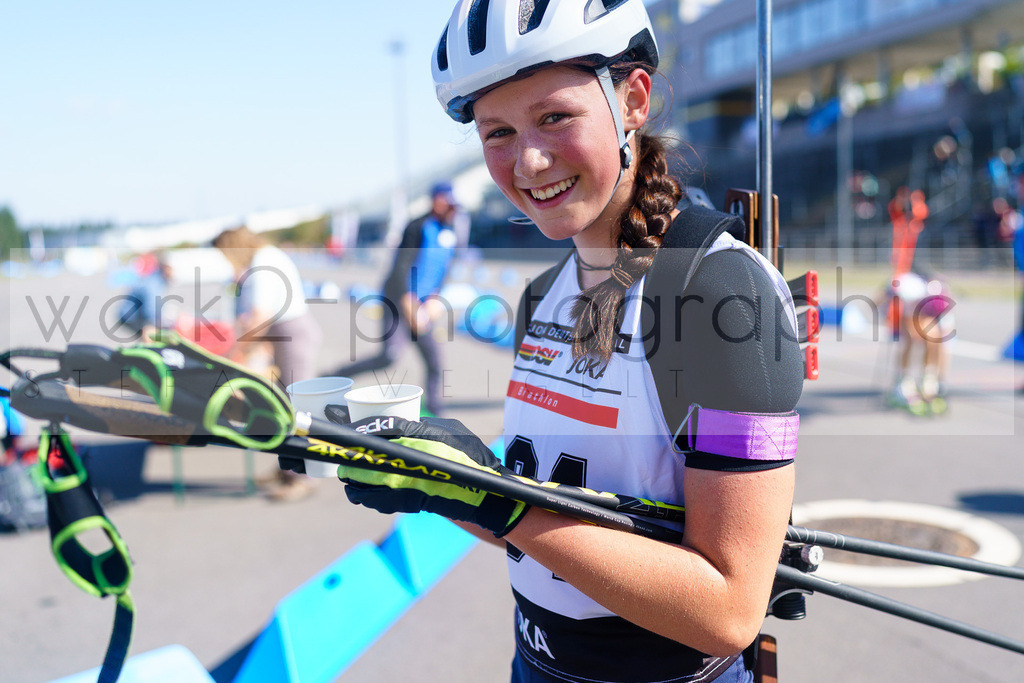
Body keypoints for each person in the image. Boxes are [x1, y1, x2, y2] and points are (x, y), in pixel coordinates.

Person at [329, 1, 804, 681]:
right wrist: (442, 482)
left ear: (632, 99)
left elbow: (727, 608)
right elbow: (542, 528)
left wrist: (497, 496)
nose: (528, 159)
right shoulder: (541, 295)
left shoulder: (720, 290)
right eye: (497, 132)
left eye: (555, 116)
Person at [330, 182, 460, 416]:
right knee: (389, 357)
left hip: (421, 305)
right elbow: (400, 267)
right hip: (398, 300)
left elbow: (444, 269)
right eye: (448, 203)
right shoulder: (418, 227)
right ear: (436, 201)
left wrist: (433, 298)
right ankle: (335, 377)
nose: (452, 209)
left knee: (435, 362)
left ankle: (437, 415)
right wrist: (408, 302)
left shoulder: (451, 233)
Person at [213, 225, 323, 501]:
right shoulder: (265, 257)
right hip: (287, 334)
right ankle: (288, 467)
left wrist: (238, 352)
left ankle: (304, 478)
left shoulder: (263, 262)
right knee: (286, 408)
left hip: (293, 335)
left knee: (298, 412)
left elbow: (260, 317)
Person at [887, 270, 955, 415]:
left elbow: (943, 334)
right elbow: (910, 331)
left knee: (937, 341)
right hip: (917, 311)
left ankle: (933, 382)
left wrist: (935, 378)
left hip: (938, 314)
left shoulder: (940, 300)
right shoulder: (906, 293)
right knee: (910, 340)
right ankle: (904, 381)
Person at [115, 251, 174, 342]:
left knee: (155, 331)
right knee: (151, 333)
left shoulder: (158, 279)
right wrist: (153, 323)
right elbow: (151, 306)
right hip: (130, 316)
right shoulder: (154, 282)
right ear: (165, 268)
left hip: (136, 313)